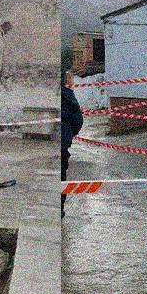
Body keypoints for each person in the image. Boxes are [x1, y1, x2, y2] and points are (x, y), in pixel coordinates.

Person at [60, 70, 82, 216]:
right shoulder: (67, 95)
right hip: (62, 144)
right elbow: (78, 120)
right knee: (61, 178)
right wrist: (69, 134)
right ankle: (59, 209)